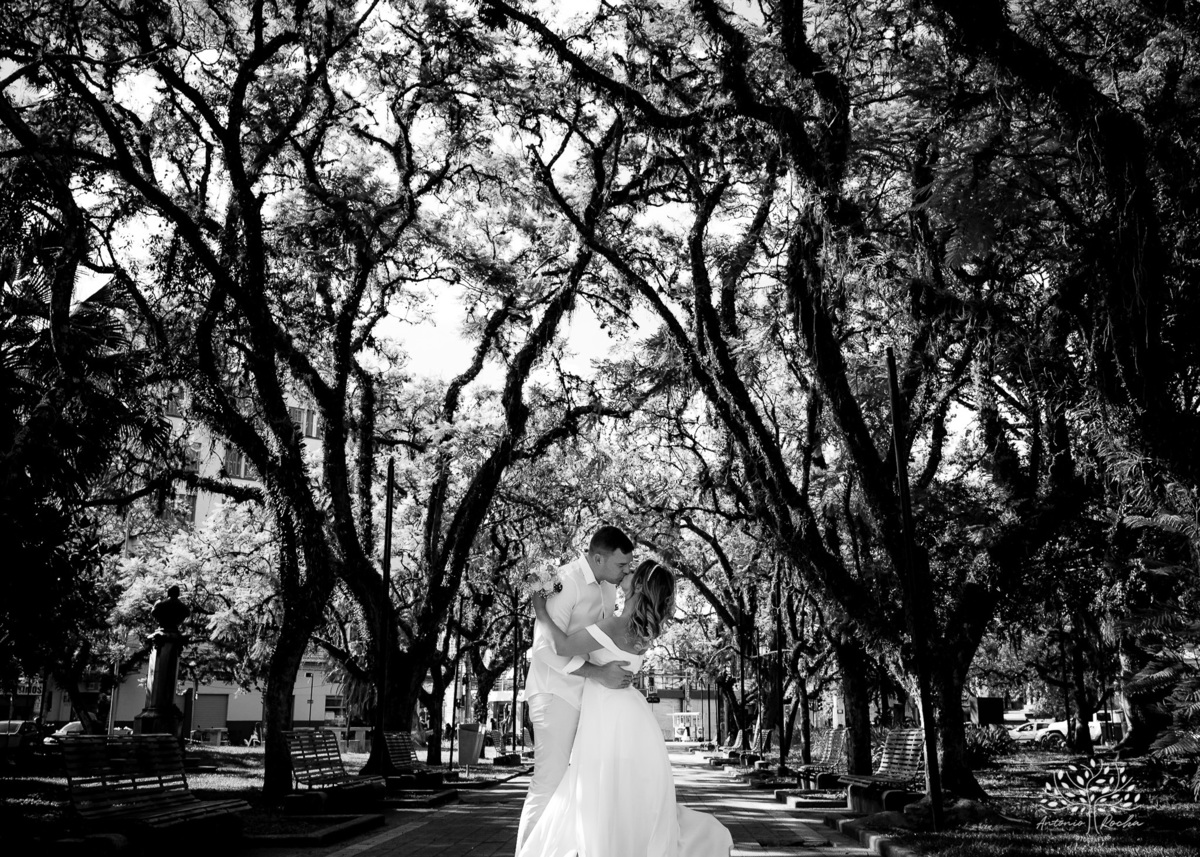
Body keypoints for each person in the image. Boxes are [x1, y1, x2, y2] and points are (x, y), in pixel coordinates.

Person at [519, 560, 733, 857]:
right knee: (622, 794)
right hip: (629, 715)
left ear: (640, 586)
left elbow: (561, 645)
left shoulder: (615, 625)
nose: (626, 572)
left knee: (604, 789)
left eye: (633, 572)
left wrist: (540, 609)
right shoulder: (642, 631)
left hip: (611, 716)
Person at [516, 526, 637, 850]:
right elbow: (543, 649)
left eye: (629, 565)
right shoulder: (563, 582)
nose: (627, 571)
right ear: (597, 558)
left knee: (581, 785)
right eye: (621, 565)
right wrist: (598, 673)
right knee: (549, 781)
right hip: (553, 693)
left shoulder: (610, 589)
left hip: (587, 695)